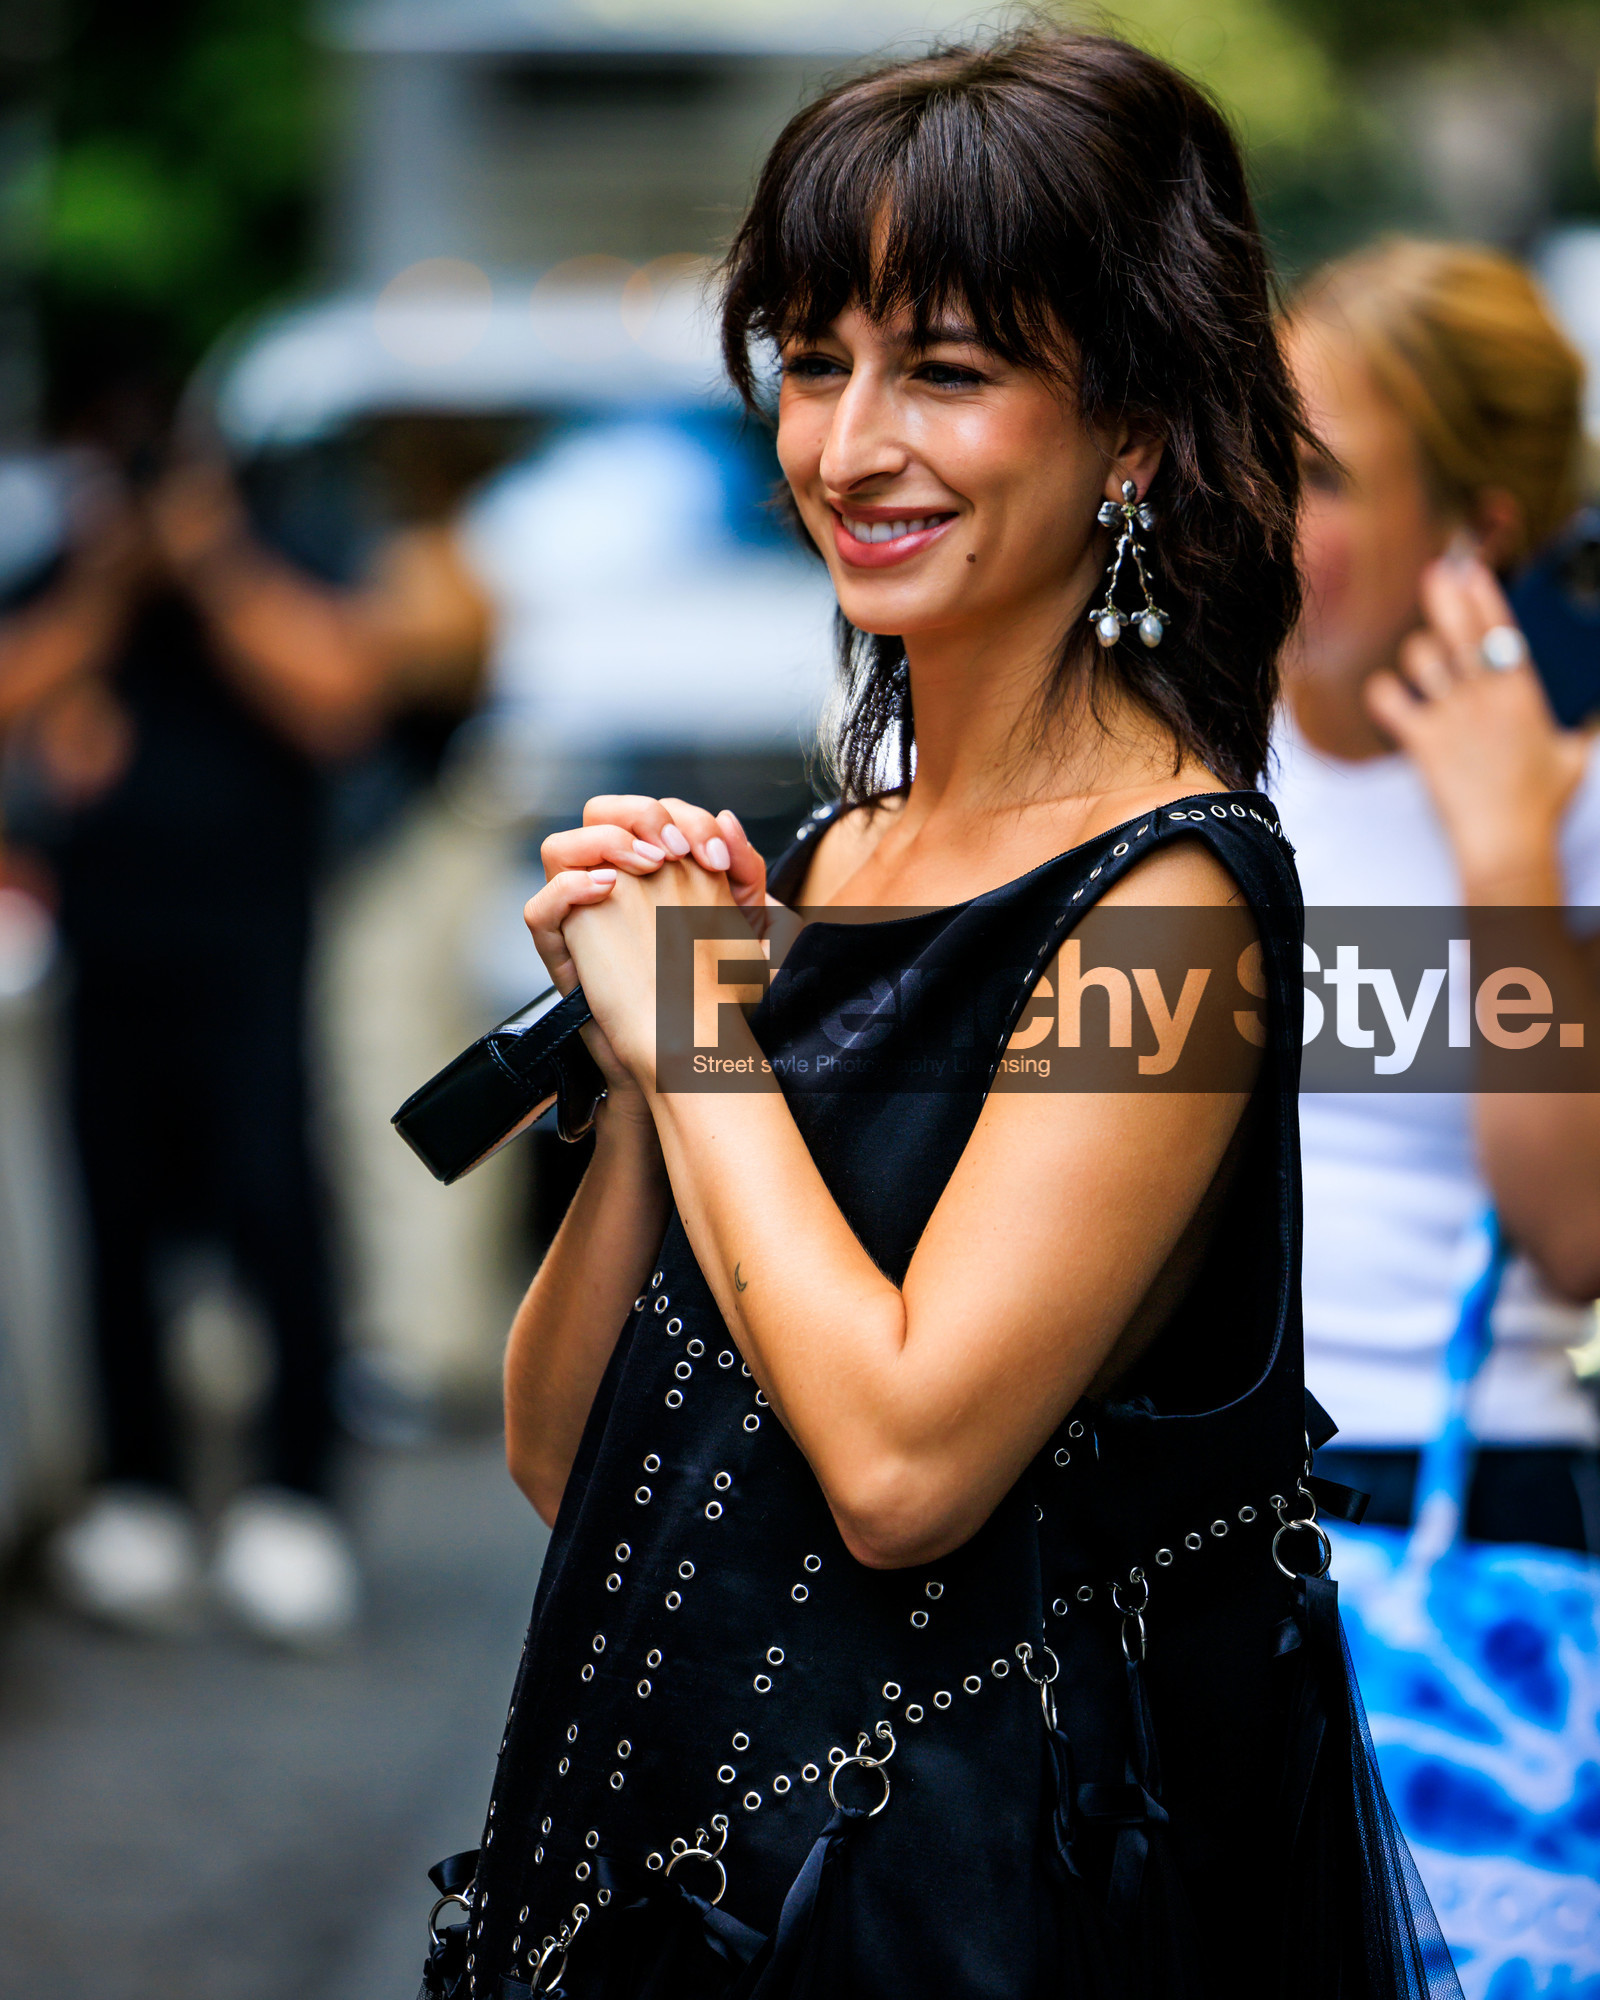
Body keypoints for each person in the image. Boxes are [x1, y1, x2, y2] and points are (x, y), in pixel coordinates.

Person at [455, 31, 1453, 2000]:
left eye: (947, 368)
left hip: (968, 1913)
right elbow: (564, 1454)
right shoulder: (824, 852)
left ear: (1135, 427)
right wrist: (667, 1058)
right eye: (813, 360)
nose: (844, 444)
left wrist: (695, 1038)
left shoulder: (1172, 902)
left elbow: (906, 1466)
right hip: (661, 1867)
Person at [0, 364, 488, 1646]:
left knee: (276, 1204)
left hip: (253, 941)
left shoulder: (277, 548)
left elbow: (340, 696)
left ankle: (294, 1494)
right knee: (110, 1219)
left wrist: (210, 560)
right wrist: (110, 584)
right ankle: (138, 1493)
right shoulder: (76, 566)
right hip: (106, 943)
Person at [1275, 240, 1600, 1552]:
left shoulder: (1574, 809)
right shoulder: (1174, 757)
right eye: (1254, 454)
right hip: (1181, 1494)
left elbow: (1577, 1238)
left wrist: (1504, 854)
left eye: (1318, 478)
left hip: (1470, 1510)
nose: (1258, 512)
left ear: (1478, 533)